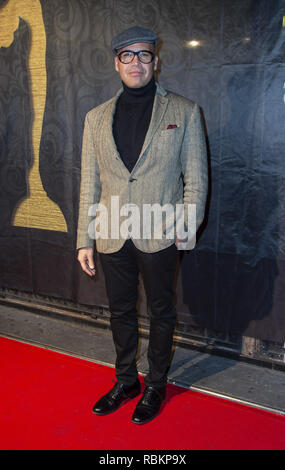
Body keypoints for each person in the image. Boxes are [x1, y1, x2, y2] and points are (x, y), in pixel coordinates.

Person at [77, 26, 208, 424]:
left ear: (156, 60)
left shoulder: (184, 111)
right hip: (112, 231)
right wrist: (84, 237)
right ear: (116, 62)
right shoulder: (96, 117)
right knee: (119, 311)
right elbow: (89, 182)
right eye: (128, 55)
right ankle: (125, 380)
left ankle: (155, 384)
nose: (136, 62)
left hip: (160, 231)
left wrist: (185, 226)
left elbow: (196, 179)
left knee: (161, 312)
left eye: (144, 55)